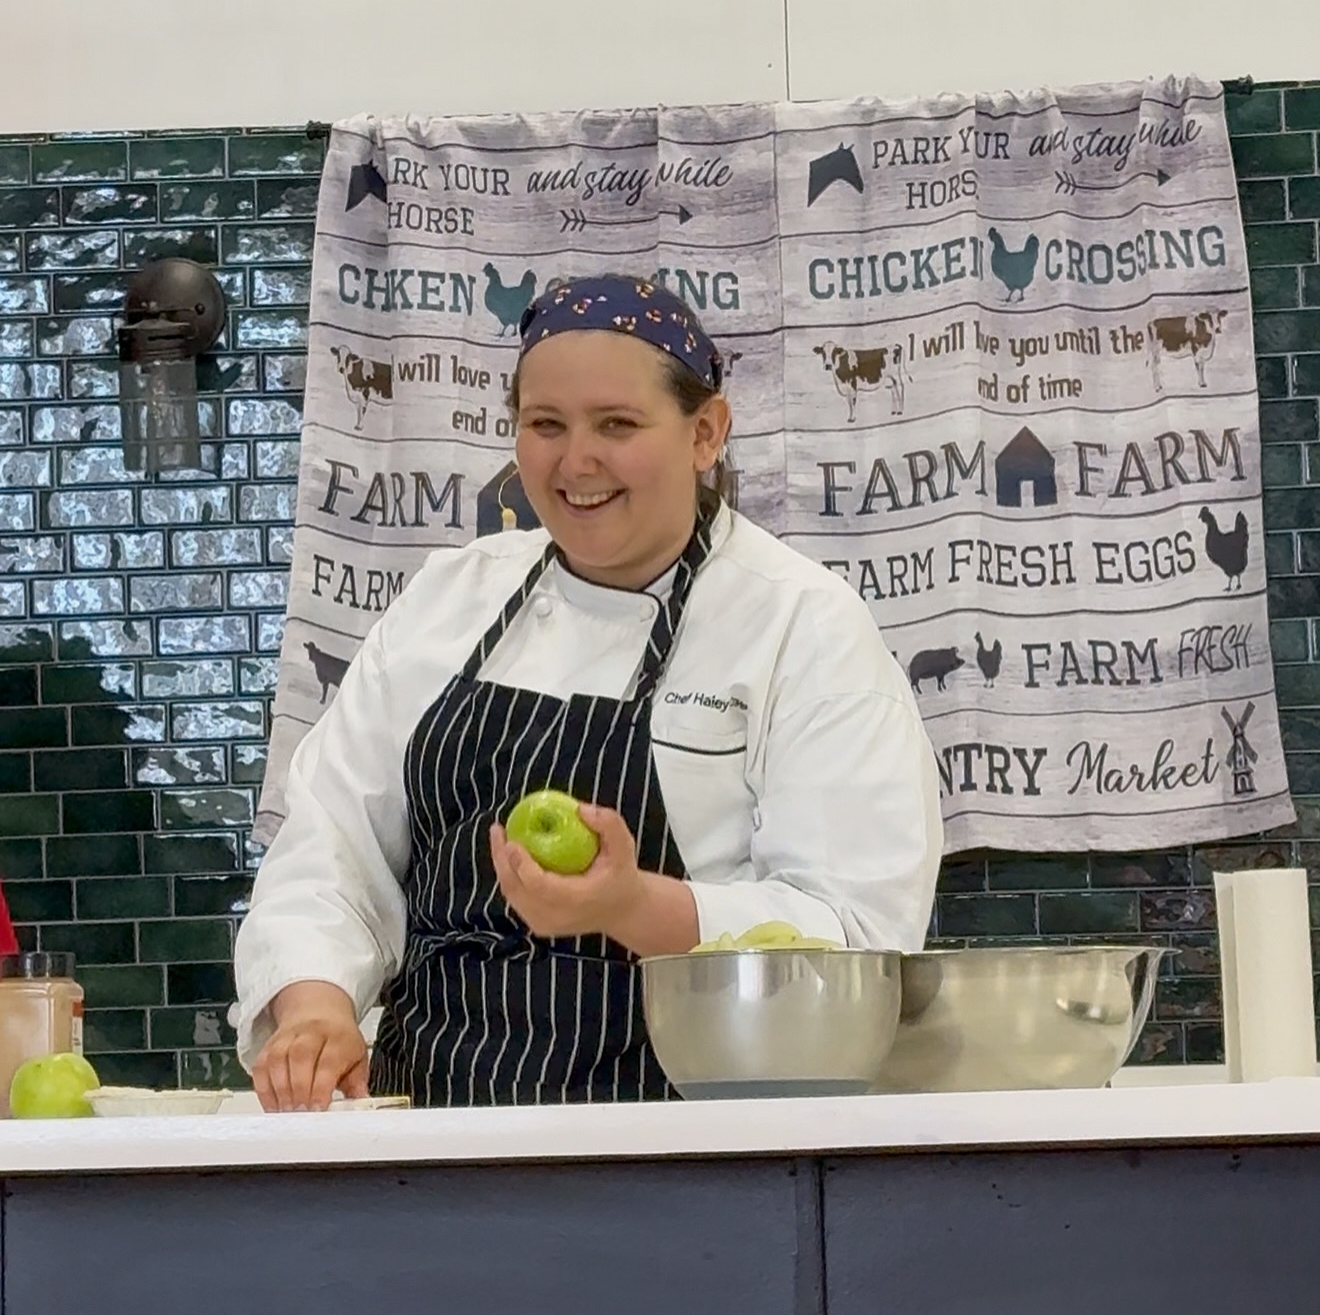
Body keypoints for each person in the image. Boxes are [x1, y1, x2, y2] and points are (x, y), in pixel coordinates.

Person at [231, 273, 943, 1112]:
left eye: (618, 424)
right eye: (545, 426)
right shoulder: (448, 602)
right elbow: (330, 851)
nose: (576, 463)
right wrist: (314, 1009)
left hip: (684, 1148)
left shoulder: (801, 627)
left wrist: (635, 906)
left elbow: (856, 936)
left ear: (705, 432)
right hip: (425, 1137)